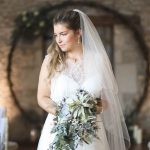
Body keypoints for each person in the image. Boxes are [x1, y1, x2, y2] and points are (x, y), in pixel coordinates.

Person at [37, 9, 130, 150]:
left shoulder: (99, 60)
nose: (59, 40)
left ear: (78, 32)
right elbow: (42, 97)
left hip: (91, 134)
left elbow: (107, 100)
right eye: (56, 35)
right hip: (59, 132)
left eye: (63, 34)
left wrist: (87, 110)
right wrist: (64, 113)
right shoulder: (50, 61)